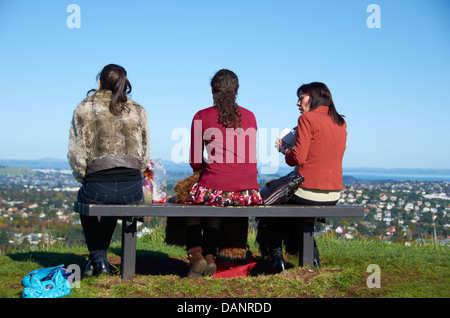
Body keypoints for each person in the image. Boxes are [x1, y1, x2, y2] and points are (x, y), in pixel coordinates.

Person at [68, 64, 150, 276]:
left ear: (100, 83)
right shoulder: (138, 110)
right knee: (114, 199)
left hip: (97, 186)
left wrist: (85, 178)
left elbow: (76, 156)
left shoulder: (83, 108)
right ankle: (98, 260)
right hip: (132, 188)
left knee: (84, 201)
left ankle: (98, 261)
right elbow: (144, 156)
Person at [184, 69, 263, 278]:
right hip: (248, 193)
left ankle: (196, 254)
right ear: (236, 91)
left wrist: (207, 172)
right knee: (216, 197)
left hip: (217, 190)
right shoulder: (250, 116)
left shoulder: (202, 116)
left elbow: (194, 161)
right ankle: (209, 256)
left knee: (190, 198)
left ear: (212, 90)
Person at [266, 82, 347, 272]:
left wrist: (284, 149)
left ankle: (278, 260)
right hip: (333, 194)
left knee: (269, 206)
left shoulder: (307, 119)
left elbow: (297, 158)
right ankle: (313, 259)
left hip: (309, 191)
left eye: (300, 97)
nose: (297, 103)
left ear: (312, 96)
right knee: (296, 215)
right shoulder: (340, 122)